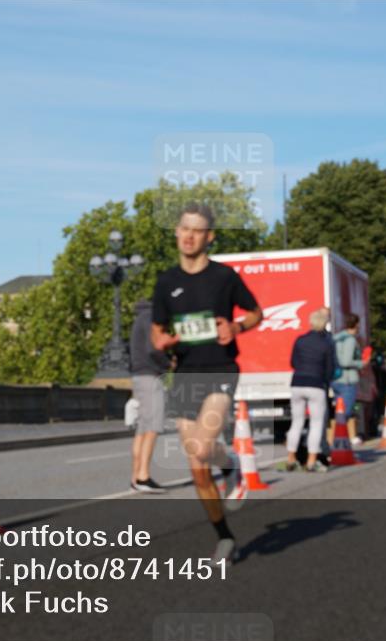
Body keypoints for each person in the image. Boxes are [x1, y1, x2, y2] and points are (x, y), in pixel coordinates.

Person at [151, 202, 262, 564]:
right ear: (176, 232)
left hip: (219, 370)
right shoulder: (166, 281)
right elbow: (157, 333)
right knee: (198, 470)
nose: (188, 235)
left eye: (196, 230)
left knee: (200, 448)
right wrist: (163, 342)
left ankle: (229, 464)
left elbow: (256, 312)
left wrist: (237, 327)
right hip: (184, 374)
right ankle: (225, 537)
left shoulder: (224, 277)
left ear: (209, 237)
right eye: (184, 228)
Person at [283, 308, 335, 473]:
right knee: (316, 423)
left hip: (297, 382)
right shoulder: (327, 343)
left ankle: (291, 458)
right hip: (316, 384)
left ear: (311, 322)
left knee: (296, 422)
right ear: (325, 324)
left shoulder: (300, 340)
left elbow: (293, 362)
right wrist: (325, 380)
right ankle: (311, 461)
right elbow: (330, 368)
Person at [128, 299, 171, 494]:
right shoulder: (152, 318)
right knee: (152, 427)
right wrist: (169, 364)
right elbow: (154, 348)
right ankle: (143, 477)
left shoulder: (140, 318)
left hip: (138, 375)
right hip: (150, 376)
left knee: (142, 429)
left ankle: (135, 476)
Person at [331, 313, 368, 447]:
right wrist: (362, 363)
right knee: (345, 412)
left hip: (335, 379)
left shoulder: (337, 338)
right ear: (356, 325)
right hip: (347, 380)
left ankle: (342, 438)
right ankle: (337, 438)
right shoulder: (350, 340)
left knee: (340, 410)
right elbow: (346, 361)